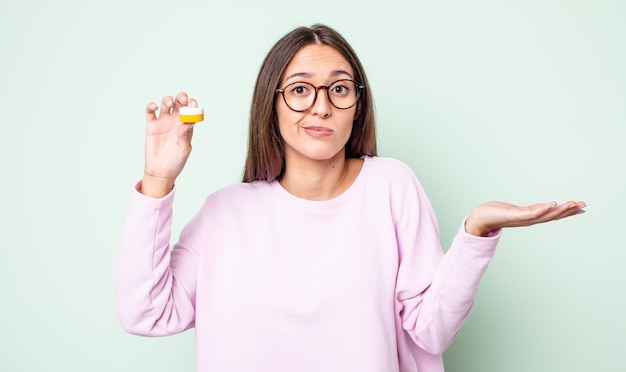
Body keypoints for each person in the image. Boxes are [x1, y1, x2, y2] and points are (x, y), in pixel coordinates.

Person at [114, 24, 585, 372]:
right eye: (300, 90)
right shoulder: (225, 213)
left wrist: (476, 232)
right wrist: (157, 178)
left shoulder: (391, 187)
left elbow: (431, 331)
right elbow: (146, 312)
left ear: (357, 104)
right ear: (270, 103)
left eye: (339, 89)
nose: (322, 106)